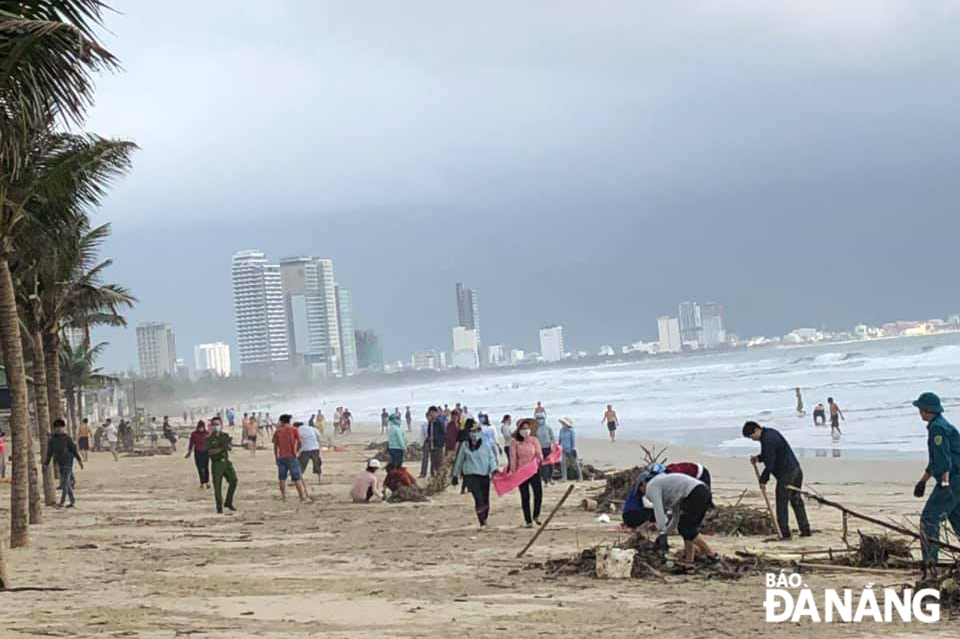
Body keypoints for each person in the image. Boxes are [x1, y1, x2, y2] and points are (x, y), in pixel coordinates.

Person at [911, 392, 960, 572]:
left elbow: (944, 461)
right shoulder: (941, 425)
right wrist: (922, 481)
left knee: (929, 519)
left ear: (927, 410)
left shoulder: (937, 429)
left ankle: (930, 563)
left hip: (953, 479)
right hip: (957, 478)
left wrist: (945, 485)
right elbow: (936, 462)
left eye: (920, 409)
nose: (919, 412)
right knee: (956, 518)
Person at [743, 421, 811, 539]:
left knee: (782, 501)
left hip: (787, 474)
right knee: (796, 500)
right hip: (796, 469)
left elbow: (770, 463)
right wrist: (758, 458)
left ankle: (784, 533)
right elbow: (769, 454)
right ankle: (805, 530)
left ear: (756, 430)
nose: (752, 439)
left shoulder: (767, 439)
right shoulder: (770, 433)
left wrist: (763, 480)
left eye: (751, 436)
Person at [636, 471, 717, 563]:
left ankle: (711, 554)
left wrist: (662, 531)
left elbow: (659, 511)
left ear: (643, 484)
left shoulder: (651, 486)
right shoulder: (668, 488)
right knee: (687, 528)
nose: (644, 495)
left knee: (686, 529)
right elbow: (676, 516)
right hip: (703, 490)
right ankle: (688, 561)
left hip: (695, 493)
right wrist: (665, 533)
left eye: (640, 490)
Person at [453, 421, 498, 529]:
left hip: (484, 475)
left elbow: (491, 458)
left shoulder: (485, 445)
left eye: (477, 430)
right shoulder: (465, 446)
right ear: (469, 432)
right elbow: (459, 460)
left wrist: (494, 470)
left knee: (485, 499)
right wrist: (455, 475)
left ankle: (485, 519)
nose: (475, 433)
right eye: (473, 431)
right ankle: (482, 521)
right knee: (478, 498)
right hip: (471, 476)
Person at [510, 418, 544, 527]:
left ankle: (536, 515)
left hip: (534, 471)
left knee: (538, 493)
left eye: (527, 428)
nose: (525, 430)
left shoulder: (534, 440)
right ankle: (528, 520)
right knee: (525, 496)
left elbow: (539, 454)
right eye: (523, 428)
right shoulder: (515, 443)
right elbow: (513, 458)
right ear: (519, 430)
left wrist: (538, 463)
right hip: (521, 472)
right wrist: (513, 472)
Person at [43, 419, 83, 508]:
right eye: (57, 427)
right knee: (66, 482)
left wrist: (79, 461)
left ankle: (62, 502)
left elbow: (74, 450)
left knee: (64, 482)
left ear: (63, 428)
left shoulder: (67, 438)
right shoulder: (52, 440)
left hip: (68, 462)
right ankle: (72, 500)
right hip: (60, 463)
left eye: (60, 427)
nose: (59, 429)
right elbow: (49, 453)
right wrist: (46, 463)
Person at [273, 414, 308, 503]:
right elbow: (300, 442)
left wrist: (276, 457)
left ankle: (284, 497)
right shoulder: (294, 429)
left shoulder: (278, 431)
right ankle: (301, 497)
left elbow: (275, 446)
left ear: (281, 421)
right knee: (297, 478)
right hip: (292, 456)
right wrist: (297, 451)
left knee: (282, 478)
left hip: (282, 457)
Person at [206, 416, 237, 514]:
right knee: (217, 486)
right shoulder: (210, 439)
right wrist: (221, 448)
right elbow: (210, 452)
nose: (216, 426)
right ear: (211, 426)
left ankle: (228, 502)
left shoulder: (225, 436)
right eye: (214, 424)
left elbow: (230, 448)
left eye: (218, 424)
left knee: (234, 480)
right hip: (217, 463)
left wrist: (228, 445)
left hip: (226, 462)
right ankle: (219, 507)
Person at [185, 420, 211, 488]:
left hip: (206, 452)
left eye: (202, 427)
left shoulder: (207, 433)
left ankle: (207, 482)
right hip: (198, 453)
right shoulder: (194, 434)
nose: (201, 429)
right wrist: (189, 452)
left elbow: (210, 444)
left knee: (206, 468)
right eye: (200, 427)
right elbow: (191, 444)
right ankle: (202, 483)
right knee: (199, 468)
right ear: (197, 427)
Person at [297, 418, 323, 486]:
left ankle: (298, 480)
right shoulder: (311, 428)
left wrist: (298, 450)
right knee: (317, 463)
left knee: (301, 465)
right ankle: (319, 480)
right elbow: (318, 436)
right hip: (315, 448)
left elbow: (297, 441)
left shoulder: (297, 429)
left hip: (305, 449)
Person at [557, 417, 583, 481]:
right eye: (562, 423)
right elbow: (560, 440)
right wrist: (558, 445)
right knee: (562, 463)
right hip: (563, 450)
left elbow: (573, 441)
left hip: (571, 450)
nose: (563, 424)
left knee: (575, 464)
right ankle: (564, 478)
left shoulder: (571, 431)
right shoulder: (561, 430)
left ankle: (580, 477)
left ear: (567, 424)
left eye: (564, 423)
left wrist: (573, 449)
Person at [535, 414, 556, 484]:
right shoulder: (535, 429)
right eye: (538, 419)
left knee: (551, 464)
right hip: (540, 449)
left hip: (548, 448)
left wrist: (554, 445)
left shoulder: (548, 428)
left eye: (541, 418)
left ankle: (550, 478)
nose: (540, 420)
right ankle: (545, 480)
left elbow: (552, 438)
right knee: (543, 465)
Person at [427, 406, 445, 477]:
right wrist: (429, 438)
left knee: (439, 464)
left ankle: (439, 479)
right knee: (433, 463)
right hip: (431, 446)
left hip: (438, 446)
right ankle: (433, 478)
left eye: (432, 413)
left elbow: (443, 434)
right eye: (430, 413)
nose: (431, 414)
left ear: (436, 413)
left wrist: (436, 439)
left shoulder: (439, 422)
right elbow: (429, 433)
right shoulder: (430, 423)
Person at [418, 410, 433, 478]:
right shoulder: (424, 425)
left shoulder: (434, 424)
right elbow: (422, 435)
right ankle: (423, 473)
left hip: (433, 442)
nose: (429, 417)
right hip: (426, 442)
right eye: (428, 416)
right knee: (425, 459)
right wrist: (421, 444)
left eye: (430, 416)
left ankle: (433, 473)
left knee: (433, 459)